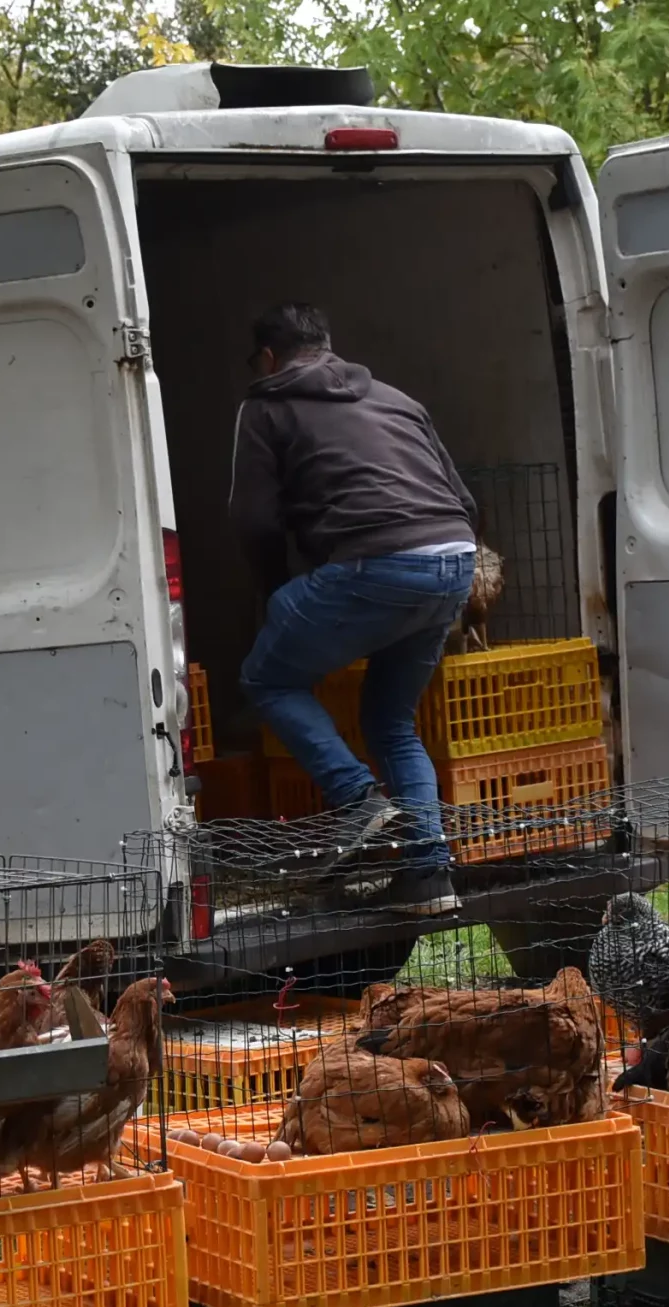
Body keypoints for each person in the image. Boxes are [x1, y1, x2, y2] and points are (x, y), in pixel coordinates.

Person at [231, 302, 480, 916]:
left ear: (267, 357)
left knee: (267, 677)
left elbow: (254, 520)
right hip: (453, 556)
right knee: (391, 721)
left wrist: (278, 601)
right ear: (329, 345)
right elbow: (464, 499)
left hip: (376, 562)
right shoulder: (398, 399)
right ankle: (429, 875)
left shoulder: (264, 404)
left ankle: (358, 800)